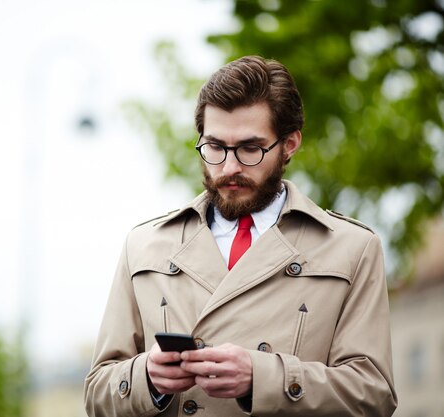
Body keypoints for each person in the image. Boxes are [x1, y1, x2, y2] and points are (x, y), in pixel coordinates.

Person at [84, 56, 397, 417]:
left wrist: (262, 379)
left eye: (250, 148)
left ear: (290, 144)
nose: (229, 167)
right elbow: (97, 393)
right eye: (215, 147)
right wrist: (148, 379)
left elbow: (373, 396)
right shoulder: (144, 245)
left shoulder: (352, 248)